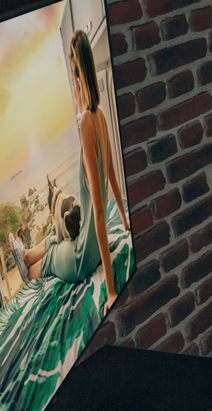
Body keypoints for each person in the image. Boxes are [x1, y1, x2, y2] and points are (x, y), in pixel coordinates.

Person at [8, 31, 129, 315]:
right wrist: (125, 221)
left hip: (82, 256)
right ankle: (24, 254)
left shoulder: (87, 121)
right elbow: (111, 173)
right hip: (87, 246)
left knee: (49, 256)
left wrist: (111, 291)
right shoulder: (99, 115)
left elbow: (99, 211)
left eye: (72, 72)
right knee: (52, 239)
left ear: (78, 76)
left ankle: (27, 269)